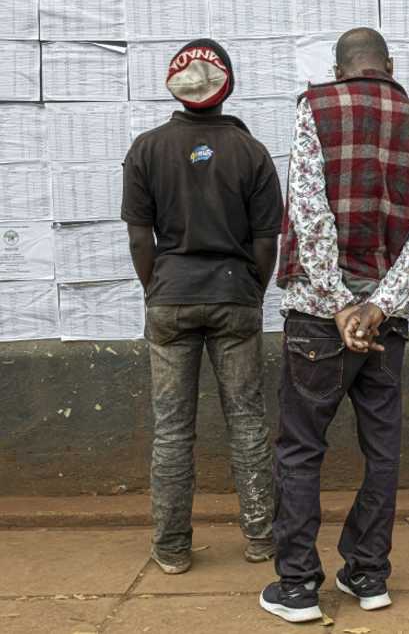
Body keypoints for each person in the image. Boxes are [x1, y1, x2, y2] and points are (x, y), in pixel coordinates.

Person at [259, 27, 409, 623]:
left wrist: (341, 304)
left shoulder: (315, 106)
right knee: (382, 451)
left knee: (300, 450)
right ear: (390, 65)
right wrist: (379, 305)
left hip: (320, 320)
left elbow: (308, 211)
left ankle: (297, 586)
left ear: (341, 70)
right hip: (384, 326)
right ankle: (369, 574)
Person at [121, 39, 283, 575]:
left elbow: (141, 240)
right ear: (226, 87)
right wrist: (250, 290)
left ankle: (171, 549)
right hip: (235, 295)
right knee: (248, 423)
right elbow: (266, 242)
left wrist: (157, 287)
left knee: (171, 430)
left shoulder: (146, 149)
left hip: (170, 298)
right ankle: (262, 539)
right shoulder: (252, 152)